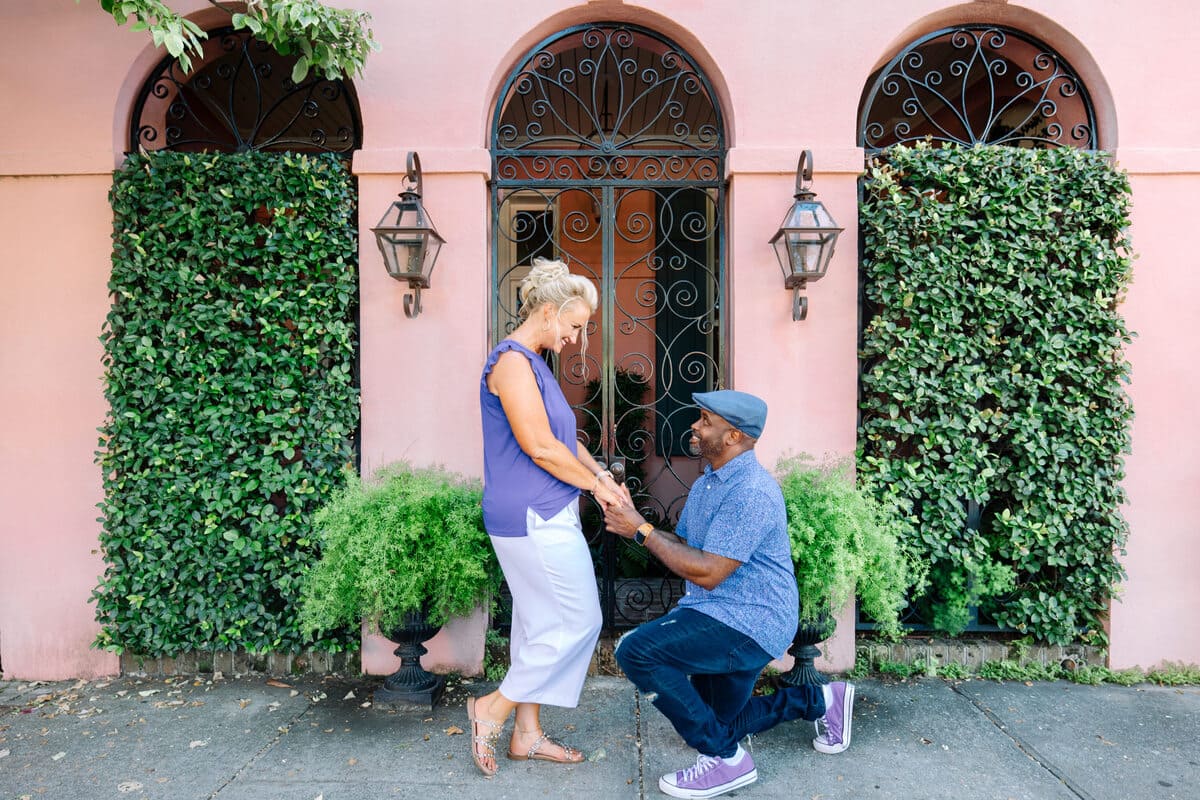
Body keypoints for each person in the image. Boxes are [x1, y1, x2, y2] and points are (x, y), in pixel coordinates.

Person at [604, 389, 857, 799]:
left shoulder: (751, 492)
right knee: (716, 722)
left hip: (750, 619)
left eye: (705, 420)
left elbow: (708, 572)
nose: (695, 425)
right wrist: (634, 522)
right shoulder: (709, 482)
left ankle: (727, 762)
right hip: (716, 611)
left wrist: (641, 529)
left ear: (734, 436)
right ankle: (823, 699)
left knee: (635, 650)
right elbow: (686, 547)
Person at [467, 257, 623, 777]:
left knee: (538, 626)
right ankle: (493, 708)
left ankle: (526, 735)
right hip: (531, 514)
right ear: (551, 312)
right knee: (582, 620)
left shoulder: (533, 363)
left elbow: (565, 442)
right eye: (575, 326)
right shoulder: (510, 363)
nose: (578, 339)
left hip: (547, 510)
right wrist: (598, 486)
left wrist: (601, 475)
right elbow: (537, 446)